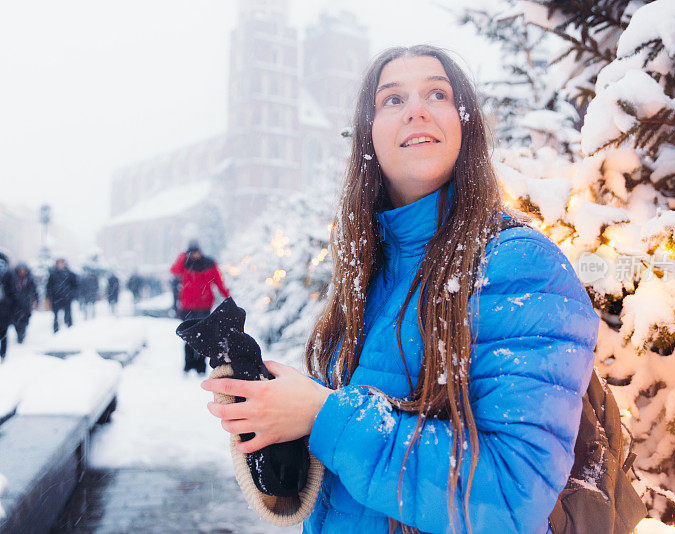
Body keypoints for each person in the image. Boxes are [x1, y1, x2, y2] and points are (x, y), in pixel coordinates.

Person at [201, 46, 599, 534]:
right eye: (392, 99)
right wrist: (283, 425)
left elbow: (512, 495)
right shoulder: (370, 269)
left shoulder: (519, 264)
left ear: (464, 123)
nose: (416, 108)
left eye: (438, 92)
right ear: (369, 137)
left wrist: (322, 414)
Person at [171, 241, 230, 374]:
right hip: (187, 307)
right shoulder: (185, 263)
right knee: (188, 337)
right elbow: (174, 270)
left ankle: (200, 366)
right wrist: (182, 256)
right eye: (191, 252)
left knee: (203, 336)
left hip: (204, 306)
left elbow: (218, 281)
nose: (194, 255)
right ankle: (188, 364)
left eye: (195, 252)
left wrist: (227, 296)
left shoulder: (209, 263)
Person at [46, 258, 78, 333]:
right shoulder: (53, 274)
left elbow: (75, 285)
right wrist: (49, 295)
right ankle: (56, 330)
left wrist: (72, 294)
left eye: (61, 263)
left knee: (68, 314)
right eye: (59, 263)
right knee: (56, 315)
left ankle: (69, 329)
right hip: (56, 298)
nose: (60, 265)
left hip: (67, 298)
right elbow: (49, 286)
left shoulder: (70, 274)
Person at [12, 263, 38, 343]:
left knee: (25, 319)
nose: (22, 272)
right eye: (20, 270)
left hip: (26, 303)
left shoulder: (30, 279)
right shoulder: (13, 279)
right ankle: (19, 335)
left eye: (23, 270)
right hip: (16, 304)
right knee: (16, 321)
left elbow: (34, 291)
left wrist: (36, 301)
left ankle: (22, 333)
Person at [0, 253, 18, 362]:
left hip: (5, 309)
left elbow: (13, 293)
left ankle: (2, 354)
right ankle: (2, 354)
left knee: (3, 332)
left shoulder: (9, 274)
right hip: (5, 309)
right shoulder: (9, 274)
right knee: (3, 332)